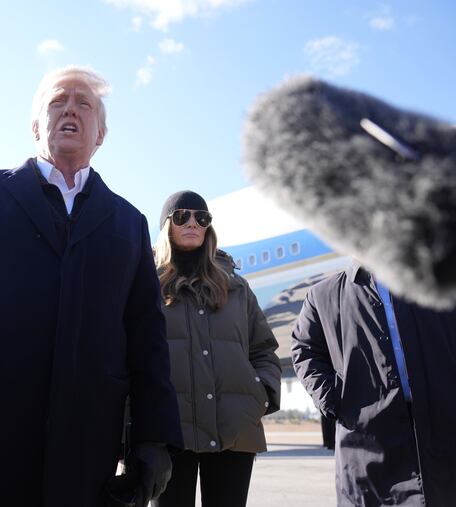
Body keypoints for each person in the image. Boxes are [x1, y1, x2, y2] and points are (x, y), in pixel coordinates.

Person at [0, 66, 183, 507]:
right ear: (36, 124)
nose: (70, 110)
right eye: (58, 101)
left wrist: (155, 438)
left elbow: (147, 339)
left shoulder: (129, 224)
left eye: (84, 104)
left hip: (83, 449)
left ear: (101, 134)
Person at [152, 191, 281, 507]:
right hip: (169, 431)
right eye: (182, 216)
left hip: (233, 429)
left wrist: (261, 394)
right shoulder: (145, 285)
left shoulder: (236, 287)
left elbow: (263, 349)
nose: (193, 223)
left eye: (202, 217)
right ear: (167, 226)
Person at [291, 261, 456, 506]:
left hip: (442, 431)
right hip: (365, 442)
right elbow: (304, 351)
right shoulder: (323, 295)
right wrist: (334, 400)